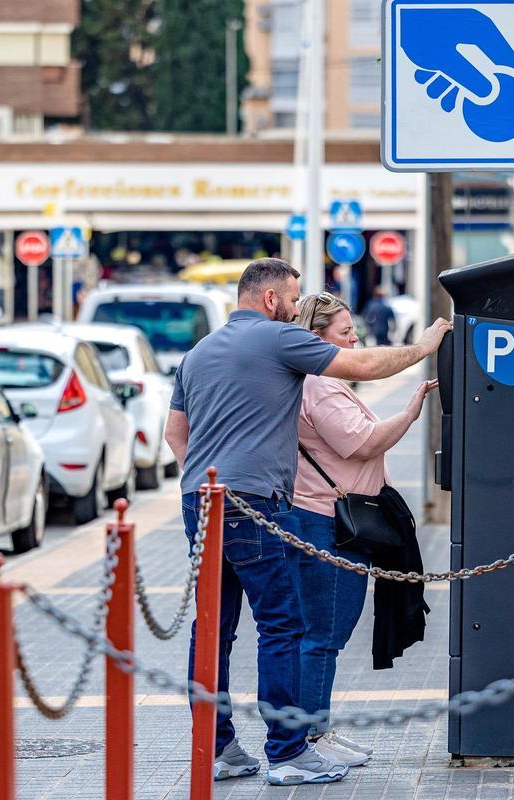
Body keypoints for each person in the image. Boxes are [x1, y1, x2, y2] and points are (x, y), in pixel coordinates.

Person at [165, 258, 451, 786]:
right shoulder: (277, 339)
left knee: (214, 630)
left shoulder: (197, 353)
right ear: (271, 300)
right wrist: (425, 346)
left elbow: (175, 435)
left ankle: (218, 748)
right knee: (282, 625)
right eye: (293, 299)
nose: (297, 309)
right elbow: (362, 366)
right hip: (252, 503)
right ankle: (288, 753)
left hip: (199, 500)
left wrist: (208, 477)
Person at [286, 292, 437, 766]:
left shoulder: (319, 381)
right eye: (345, 333)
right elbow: (363, 443)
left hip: (328, 520)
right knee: (324, 634)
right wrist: (411, 410)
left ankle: (316, 731)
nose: (355, 339)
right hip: (329, 524)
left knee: (324, 632)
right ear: (317, 339)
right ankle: (311, 738)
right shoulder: (319, 384)